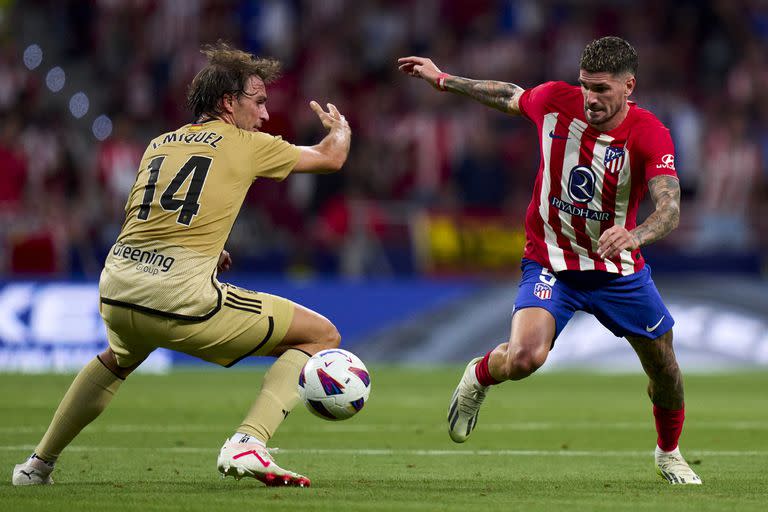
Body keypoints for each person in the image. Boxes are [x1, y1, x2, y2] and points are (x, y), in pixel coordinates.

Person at [12, 42, 351, 488]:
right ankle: (249, 441)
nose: (266, 115)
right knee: (320, 335)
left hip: (116, 286)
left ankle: (37, 465)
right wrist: (341, 129)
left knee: (117, 358)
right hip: (178, 297)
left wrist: (209, 252)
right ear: (229, 103)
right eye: (260, 101)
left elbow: (148, 216)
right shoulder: (246, 143)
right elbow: (331, 157)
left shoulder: (158, 144)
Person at [399, 36, 701, 485]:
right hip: (552, 262)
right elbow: (509, 95)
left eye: (601, 89)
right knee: (523, 358)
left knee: (665, 368)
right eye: (586, 86)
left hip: (617, 270)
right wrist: (443, 79)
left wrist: (634, 234)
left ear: (629, 86)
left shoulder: (649, 133)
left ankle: (669, 452)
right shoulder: (558, 102)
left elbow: (671, 207)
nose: (591, 98)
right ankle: (478, 377)